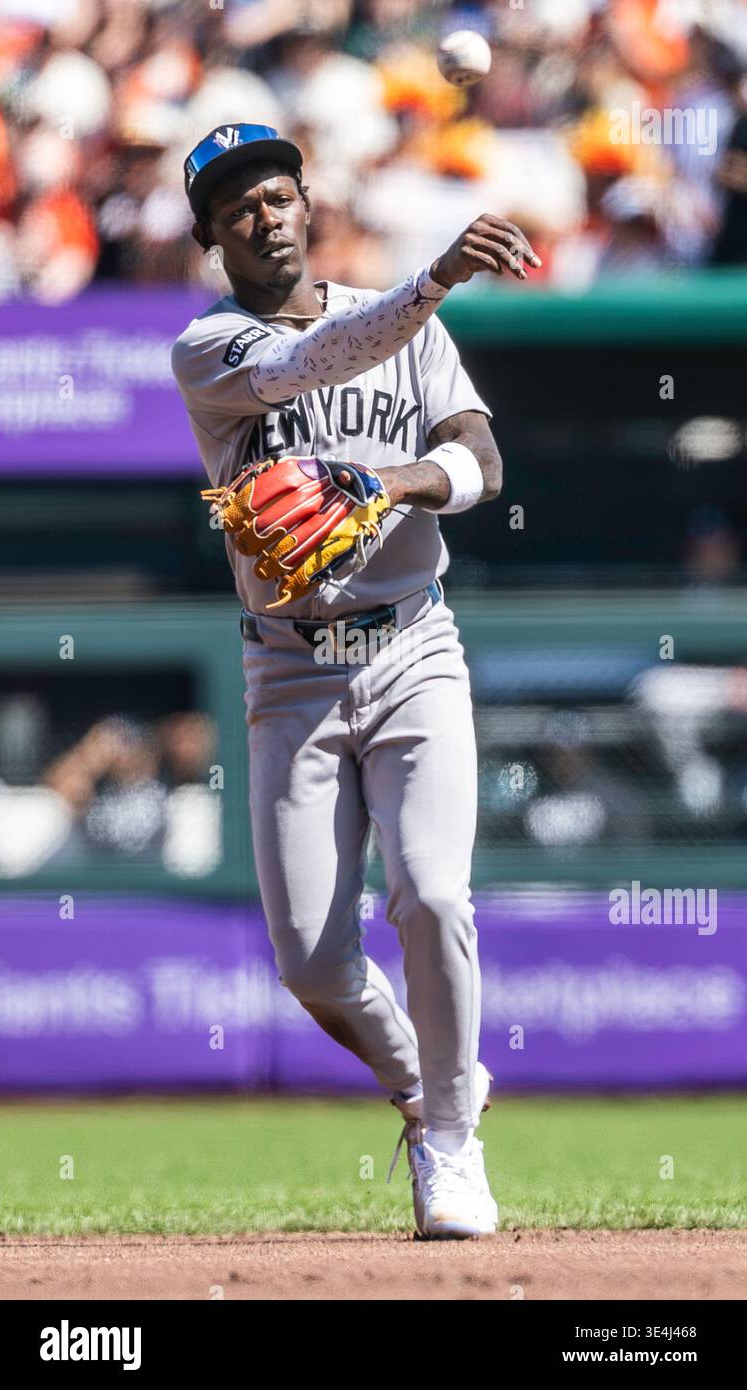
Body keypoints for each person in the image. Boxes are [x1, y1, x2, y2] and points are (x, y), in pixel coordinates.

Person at [171, 122, 539, 1239]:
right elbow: (305, 364)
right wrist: (432, 278)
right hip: (289, 673)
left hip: (413, 643)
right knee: (315, 964)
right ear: (211, 235)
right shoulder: (209, 348)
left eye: (278, 193)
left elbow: (483, 460)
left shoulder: (416, 333)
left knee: (431, 893)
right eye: (238, 205)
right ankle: (437, 1086)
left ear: (306, 203)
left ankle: (450, 1147)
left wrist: (396, 486)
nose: (264, 214)